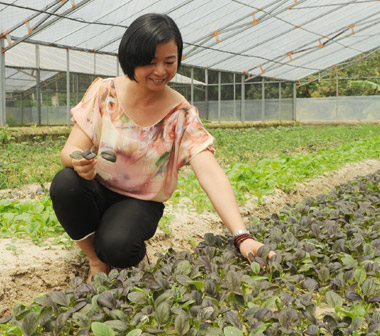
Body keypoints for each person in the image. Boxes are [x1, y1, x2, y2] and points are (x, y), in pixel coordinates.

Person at [49, 13, 274, 283]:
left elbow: (210, 173)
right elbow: (69, 150)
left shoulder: (180, 114)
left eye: (169, 62)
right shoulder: (104, 92)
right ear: (130, 58)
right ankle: (96, 260)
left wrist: (242, 236)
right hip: (98, 189)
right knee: (65, 183)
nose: (160, 71)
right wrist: (77, 163)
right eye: (150, 62)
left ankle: (120, 248)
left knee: (119, 247)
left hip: (140, 203)